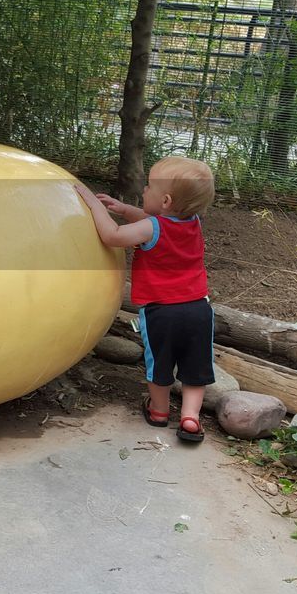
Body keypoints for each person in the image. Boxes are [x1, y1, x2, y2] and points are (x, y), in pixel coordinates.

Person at [75, 157, 216, 443]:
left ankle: (159, 411)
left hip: (161, 313)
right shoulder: (193, 222)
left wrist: (94, 204)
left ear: (165, 200)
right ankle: (190, 417)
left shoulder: (151, 228)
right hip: (200, 310)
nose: (143, 190)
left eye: (148, 186)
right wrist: (126, 209)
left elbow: (112, 236)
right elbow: (158, 221)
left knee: (160, 364)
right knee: (195, 366)